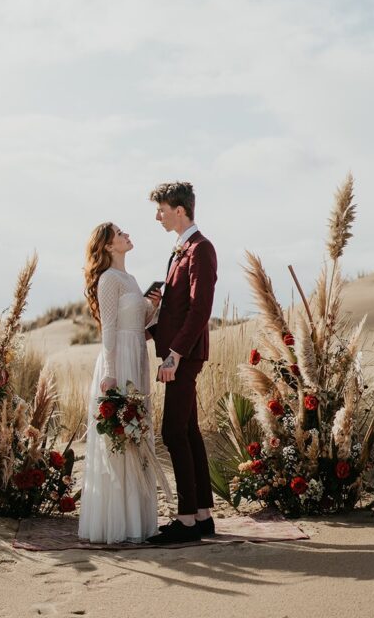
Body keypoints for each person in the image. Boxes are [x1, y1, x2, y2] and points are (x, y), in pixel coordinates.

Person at [78, 221, 162, 544]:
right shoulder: (108, 279)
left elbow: (139, 326)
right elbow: (109, 329)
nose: (126, 234)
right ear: (109, 246)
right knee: (121, 439)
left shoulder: (131, 278)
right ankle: (118, 522)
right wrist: (110, 372)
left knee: (137, 435)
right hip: (118, 362)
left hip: (137, 357)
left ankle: (137, 520)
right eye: (119, 233)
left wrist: (153, 306)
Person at [146, 182, 217, 544]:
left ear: (179, 209)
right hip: (177, 352)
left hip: (184, 356)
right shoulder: (181, 248)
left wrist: (175, 353)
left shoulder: (201, 249)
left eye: (161, 209)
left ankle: (186, 521)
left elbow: (200, 308)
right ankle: (203, 516)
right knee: (188, 432)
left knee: (172, 433)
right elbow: (179, 304)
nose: (157, 216)